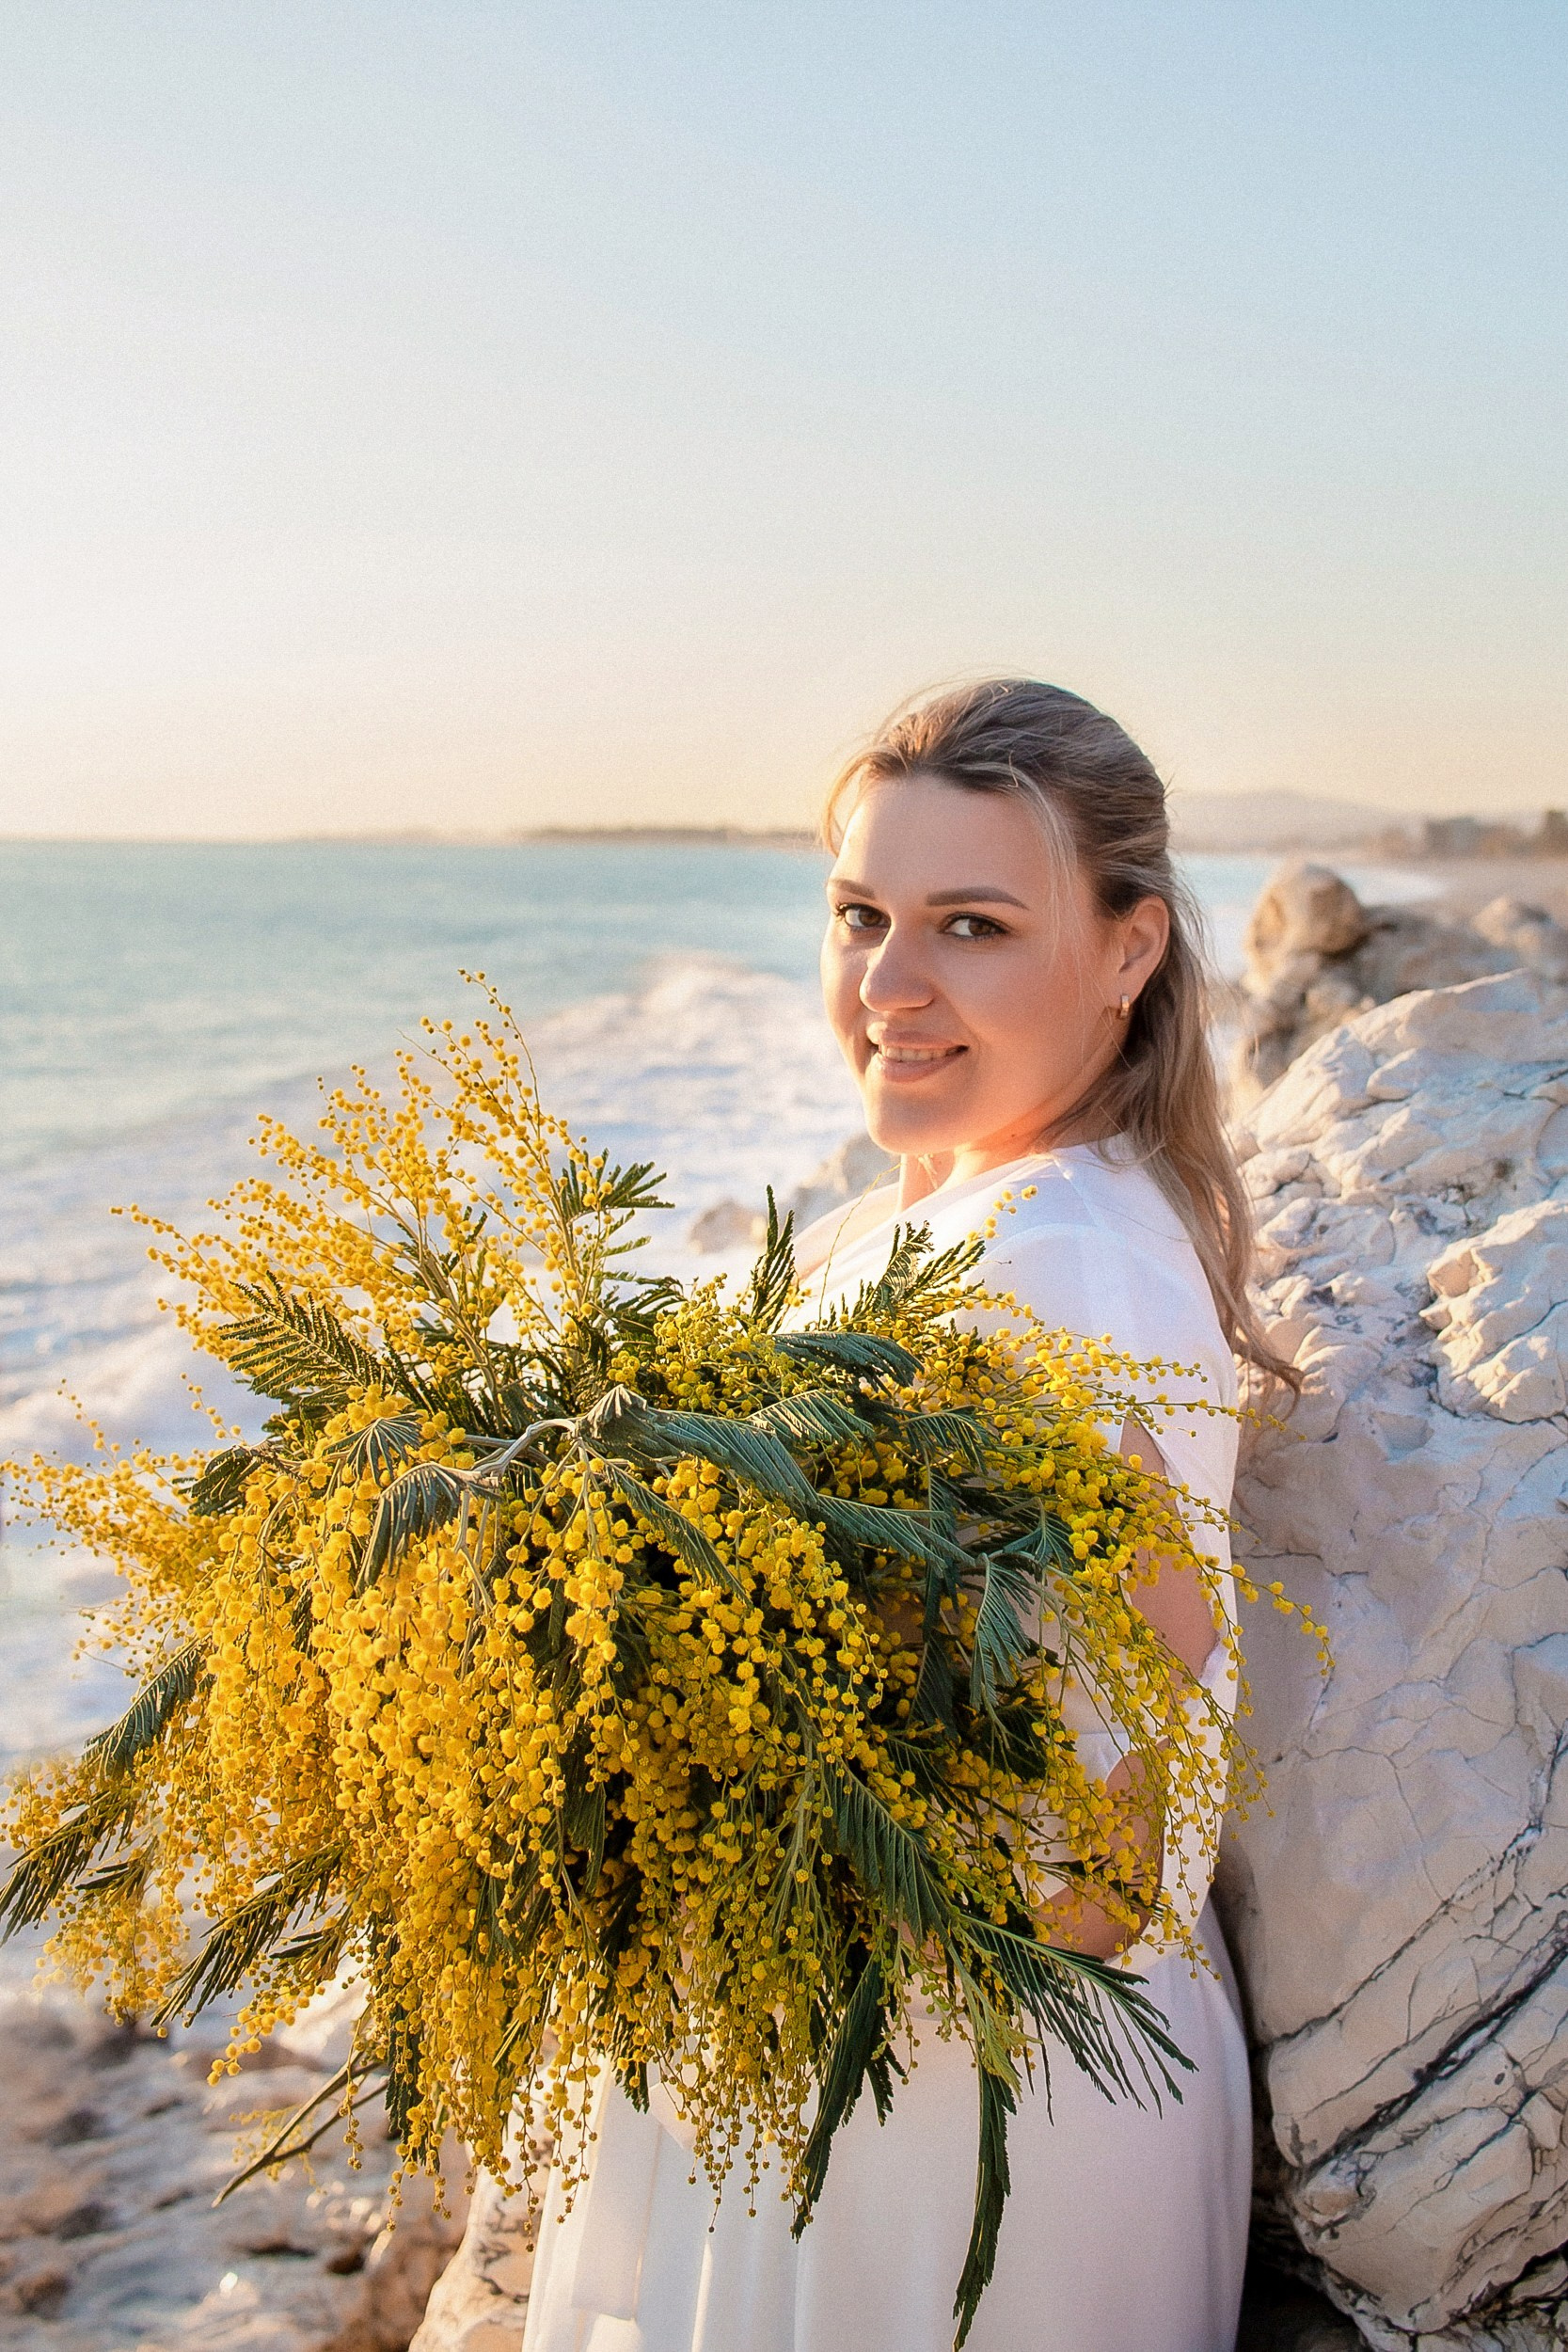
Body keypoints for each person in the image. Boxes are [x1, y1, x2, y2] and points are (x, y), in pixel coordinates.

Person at [522, 679, 1292, 2352]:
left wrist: (719, 1861)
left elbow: (1122, 1846)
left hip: (963, 2135)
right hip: (865, 2069)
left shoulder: (1059, 1263)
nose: (887, 986)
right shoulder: (971, 1212)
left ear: (1129, 949)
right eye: (860, 914)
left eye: (975, 925)